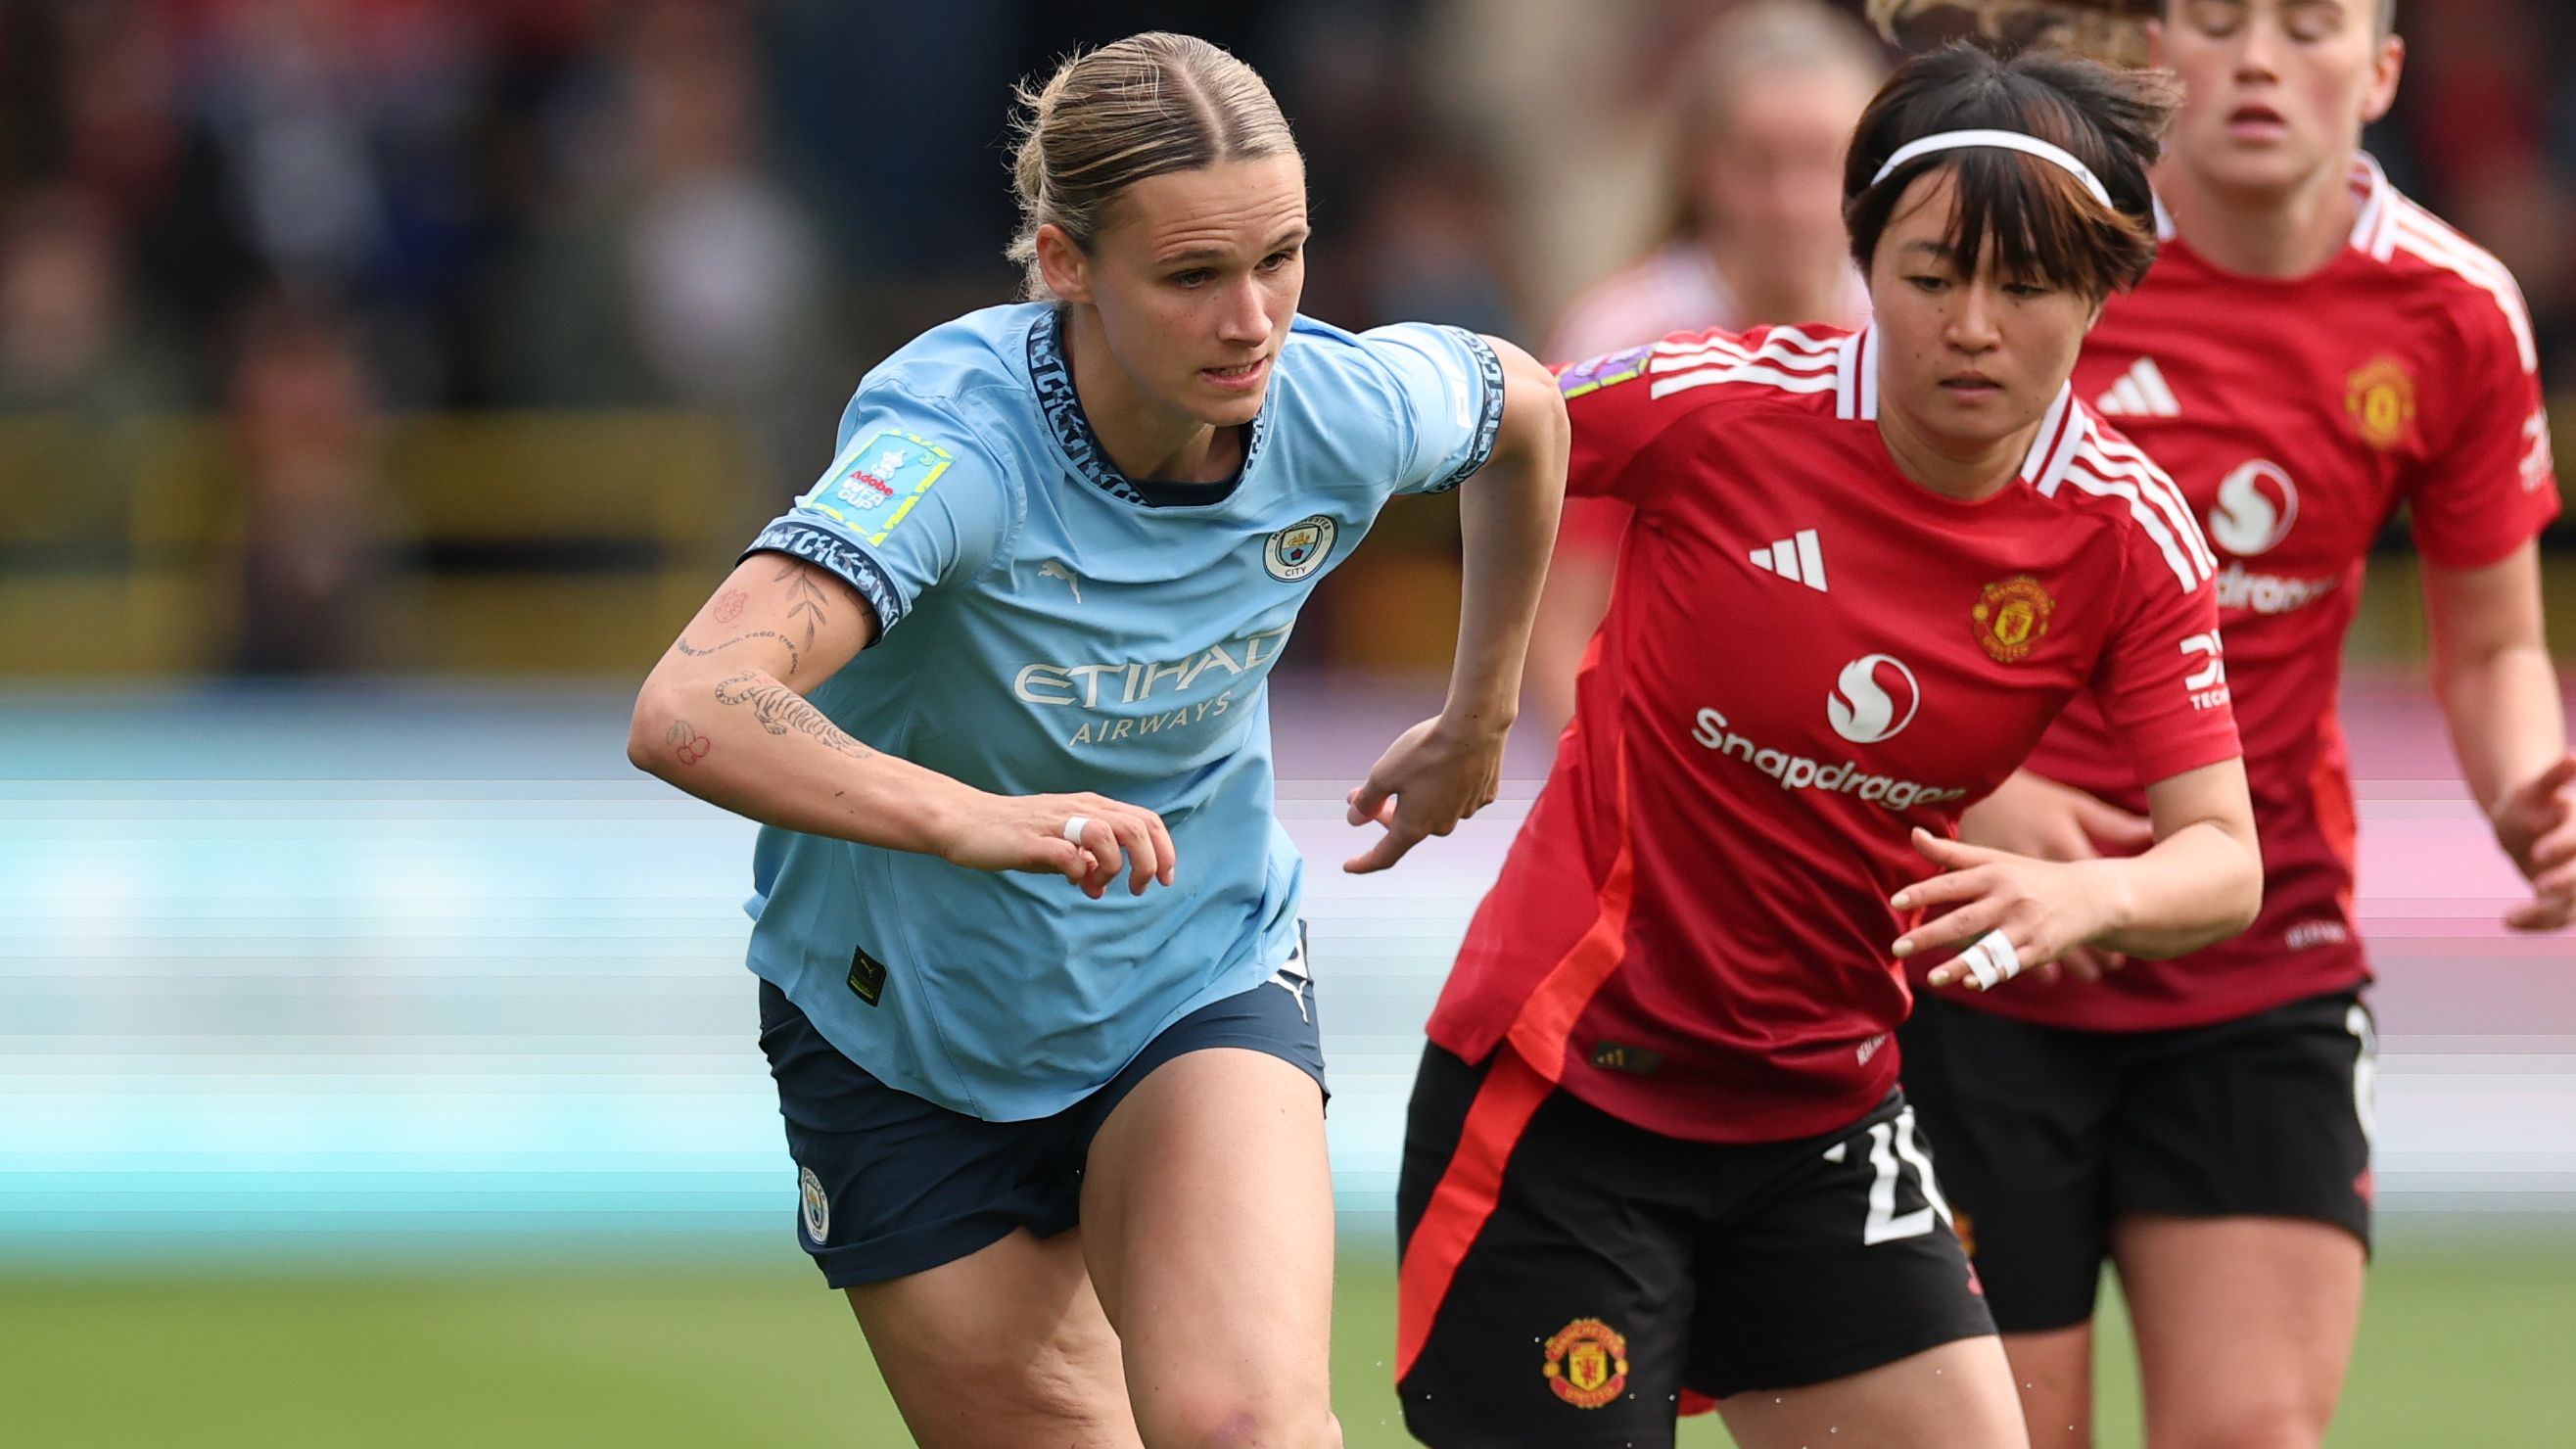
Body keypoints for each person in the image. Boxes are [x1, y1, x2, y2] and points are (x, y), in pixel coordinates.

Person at [626, 32, 1569, 1449]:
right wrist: (963, 816)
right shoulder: (956, 449)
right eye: (1192, 275)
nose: (1252, 320)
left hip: (1191, 971)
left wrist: (1477, 714)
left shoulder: (1335, 404)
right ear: (1063, 262)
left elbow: (1526, 412)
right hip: (895, 1029)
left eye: (1283, 257)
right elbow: (690, 703)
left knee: (1243, 1425)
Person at [1395, 43, 2261, 1449]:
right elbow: (1501, 421)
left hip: (1820, 1121)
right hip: (1563, 1101)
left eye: (2026, 285)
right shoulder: (1725, 403)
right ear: (1863, 261)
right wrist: (1479, 707)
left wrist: (2084, 894)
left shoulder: (2125, 531)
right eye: (1928, 278)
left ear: (2100, 295)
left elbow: (2220, 861)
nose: (1970, 326)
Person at [1885, 3, 2575, 1447]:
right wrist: (1961, 794)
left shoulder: (2450, 311)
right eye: (2213, 20)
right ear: (2148, 57)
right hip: (1980, 944)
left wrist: (2532, 789)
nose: (2257, 58)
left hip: (2258, 956)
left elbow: (2493, 646)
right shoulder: (2033, 258)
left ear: (2381, 71)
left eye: (2309, 26)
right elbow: (1870, 565)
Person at [1524, 0, 1886, 730]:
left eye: (1821, 161)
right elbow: (1558, 613)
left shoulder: (1909, 333)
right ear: (1697, 167)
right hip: (1663, 755)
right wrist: (1609, 801)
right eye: (1756, 163)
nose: (1788, 203)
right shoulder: (1621, 341)